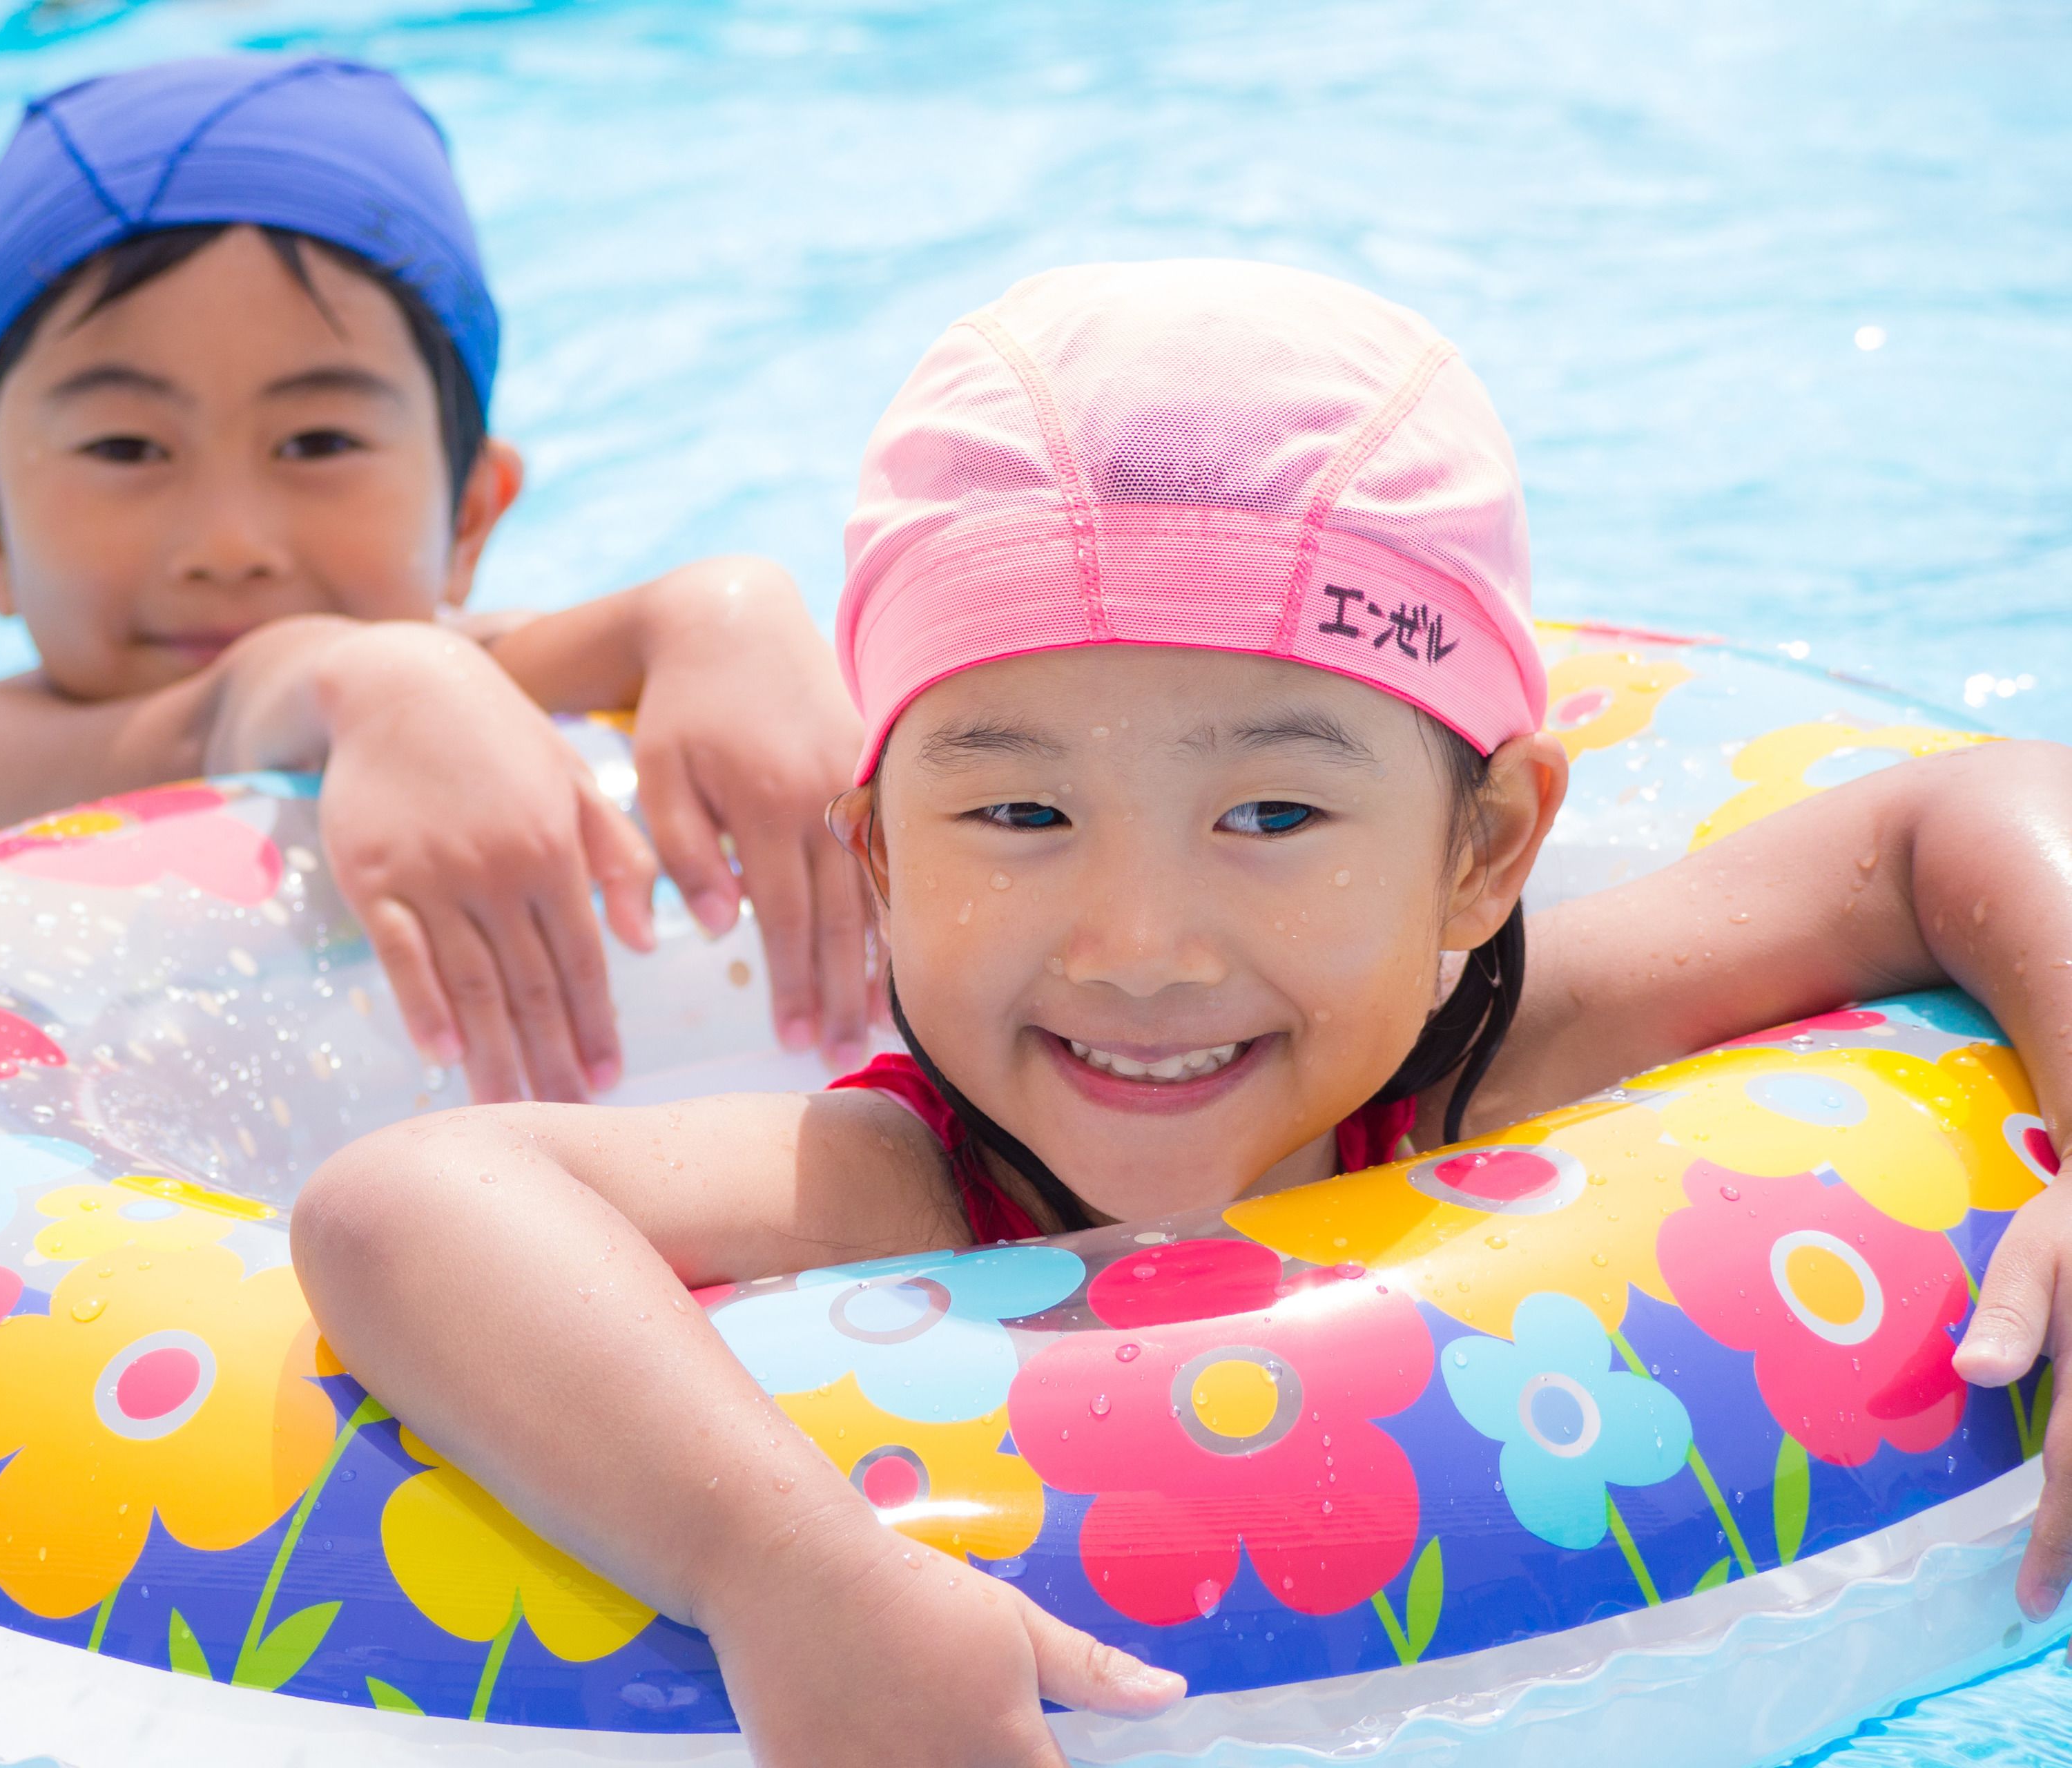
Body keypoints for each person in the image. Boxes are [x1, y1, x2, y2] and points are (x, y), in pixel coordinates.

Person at [292, 260, 2072, 1766]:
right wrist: (787, 1567)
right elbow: (407, 1202)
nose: (1139, 944)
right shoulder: (909, 1180)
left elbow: (1967, 809)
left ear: (1487, 846)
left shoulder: (1499, 1058)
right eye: (1018, 815)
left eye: (1275, 815)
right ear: (878, 855)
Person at [0, 55, 874, 1103]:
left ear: (471, 511)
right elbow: (217, 727)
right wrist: (357, 676)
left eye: (318, 441)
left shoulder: (437, 676)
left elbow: (532, 657)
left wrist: (716, 614)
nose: (229, 542)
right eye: (125, 448)